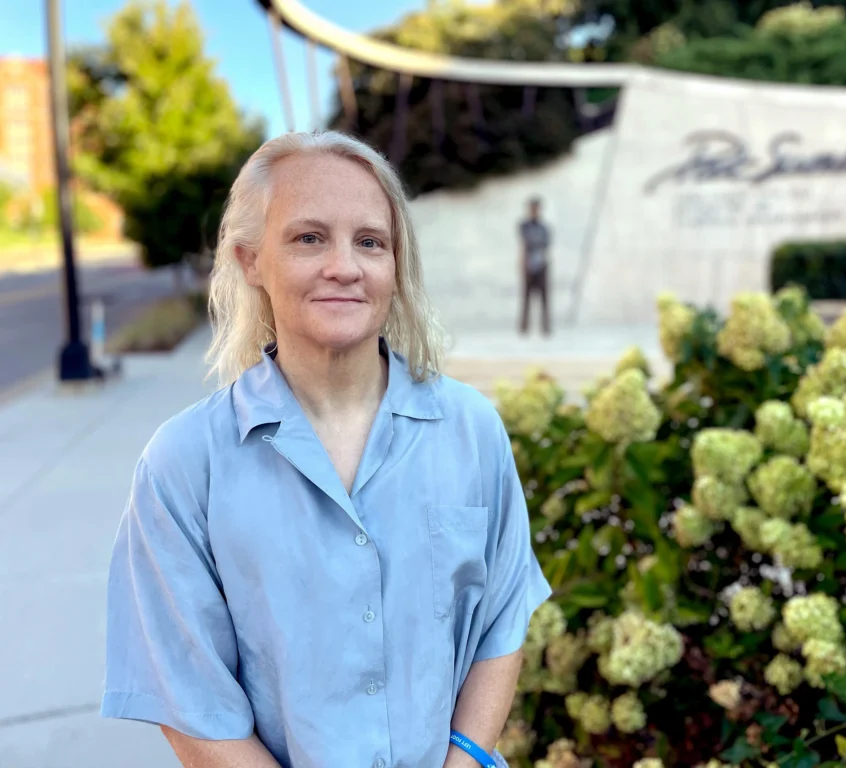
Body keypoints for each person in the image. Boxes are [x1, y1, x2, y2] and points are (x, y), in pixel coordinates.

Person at [100, 131, 552, 768]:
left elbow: (500, 625)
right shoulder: (183, 465)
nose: (345, 266)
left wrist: (465, 759)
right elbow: (189, 700)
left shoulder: (472, 431)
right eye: (309, 238)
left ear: (396, 267)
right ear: (250, 259)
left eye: (370, 242)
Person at [518, 197, 551, 335]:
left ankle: (546, 327)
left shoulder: (544, 228)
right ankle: (524, 328)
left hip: (541, 265)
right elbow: (526, 242)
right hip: (528, 265)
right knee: (526, 298)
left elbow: (545, 244)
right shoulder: (524, 226)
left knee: (544, 299)